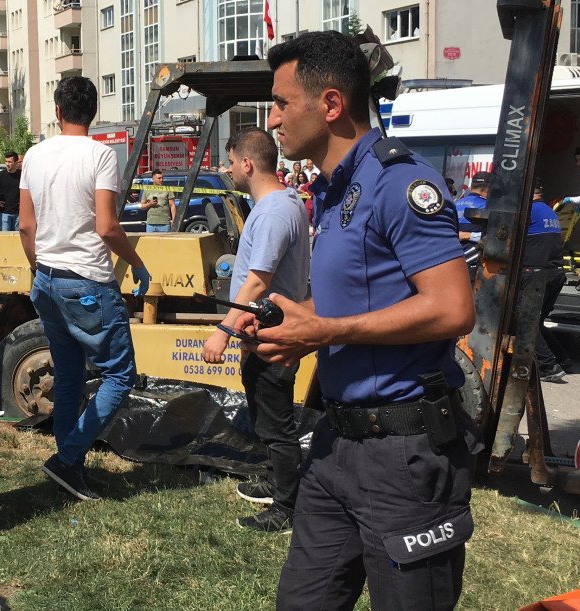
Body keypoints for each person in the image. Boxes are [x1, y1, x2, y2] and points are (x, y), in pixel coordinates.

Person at [240, 32, 477, 611]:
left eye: (281, 103)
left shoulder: (399, 183)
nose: (272, 120)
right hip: (335, 446)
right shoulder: (329, 191)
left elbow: (453, 309)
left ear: (329, 104)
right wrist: (301, 325)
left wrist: (324, 332)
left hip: (404, 453)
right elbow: (357, 303)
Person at [19, 76, 151, 501]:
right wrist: (137, 263)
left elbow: (26, 225)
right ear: (92, 113)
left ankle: (68, 468)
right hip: (88, 280)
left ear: (58, 111)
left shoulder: (34, 155)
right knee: (120, 373)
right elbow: (108, 226)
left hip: (46, 278)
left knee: (70, 373)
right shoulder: (100, 155)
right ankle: (67, 458)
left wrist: (39, 267)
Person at [203, 128, 309, 533]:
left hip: (271, 332)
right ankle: (274, 478)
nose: (229, 170)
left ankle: (287, 508)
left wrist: (222, 332)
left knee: (276, 423)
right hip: (261, 330)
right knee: (266, 414)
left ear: (247, 163)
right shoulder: (281, 204)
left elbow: (257, 281)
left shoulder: (273, 212)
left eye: (231, 163)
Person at [522, 179, 570, 383]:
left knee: (525, 321)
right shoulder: (549, 211)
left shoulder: (528, 211)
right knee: (538, 321)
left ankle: (548, 367)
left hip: (536, 274)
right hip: (555, 273)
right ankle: (563, 360)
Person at [455, 171, 490, 279]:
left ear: (471, 188)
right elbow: (495, 236)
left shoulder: (455, 204)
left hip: (452, 259)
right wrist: (469, 235)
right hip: (473, 260)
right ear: (487, 190)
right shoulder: (486, 206)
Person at [0, 151, 22, 231]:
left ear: (16, 162)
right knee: (3, 238)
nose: (7, 164)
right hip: (4, 213)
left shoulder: (22, 175)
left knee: (17, 239)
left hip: (18, 213)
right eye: (6, 161)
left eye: (10, 162)